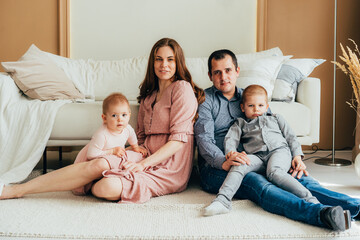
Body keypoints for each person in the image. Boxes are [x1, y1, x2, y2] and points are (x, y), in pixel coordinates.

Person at [0, 37, 204, 204]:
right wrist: (118, 153)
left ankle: (94, 179)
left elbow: (178, 141)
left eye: (170, 59)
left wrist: (143, 165)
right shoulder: (148, 96)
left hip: (169, 166)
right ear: (152, 62)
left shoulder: (182, 89)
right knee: (98, 163)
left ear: (178, 62)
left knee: (106, 186)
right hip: (144, 155)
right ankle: (17, 190)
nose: (164, 65)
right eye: (159, 59)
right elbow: (139, 140)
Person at [194, 49, 359, 231]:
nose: (223, 77)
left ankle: (355, 207)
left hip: (259, 156)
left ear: (237, 71)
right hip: (218, 167)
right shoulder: (205, 100)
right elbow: (204, 140)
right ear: (210, 75)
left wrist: (294, 156)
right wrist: (223, 161)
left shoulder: (250, 95)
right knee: (258, 183)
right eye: (217, 72)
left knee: (300, 178)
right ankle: (321, 214)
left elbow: (274, 127)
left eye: (228, 70)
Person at [204, 84, 321, 216]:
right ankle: (223, 201)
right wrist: (231, 152)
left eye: (260, 105)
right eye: (251, 106)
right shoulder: (240, 123)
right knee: (239, 165)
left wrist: (297, 156)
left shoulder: (276, 118)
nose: (256, 109)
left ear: (266, 106)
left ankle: (309, 199)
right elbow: (231, 139)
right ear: (242, 107)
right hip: (257, 156)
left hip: (279, 151)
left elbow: (291, 137)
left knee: (274, 172)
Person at [71, 92, 147, 195]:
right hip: (91, 159)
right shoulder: (102, 134)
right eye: (114, 115)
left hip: (106, 159)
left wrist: (135, 147)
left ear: (129, 115)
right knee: (81, 187)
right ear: (105, 118)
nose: (120, 119)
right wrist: (112, 151)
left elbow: (132, 136)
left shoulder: (127, 128)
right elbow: (91, 155)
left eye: (124, 115)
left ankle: (101, 184)